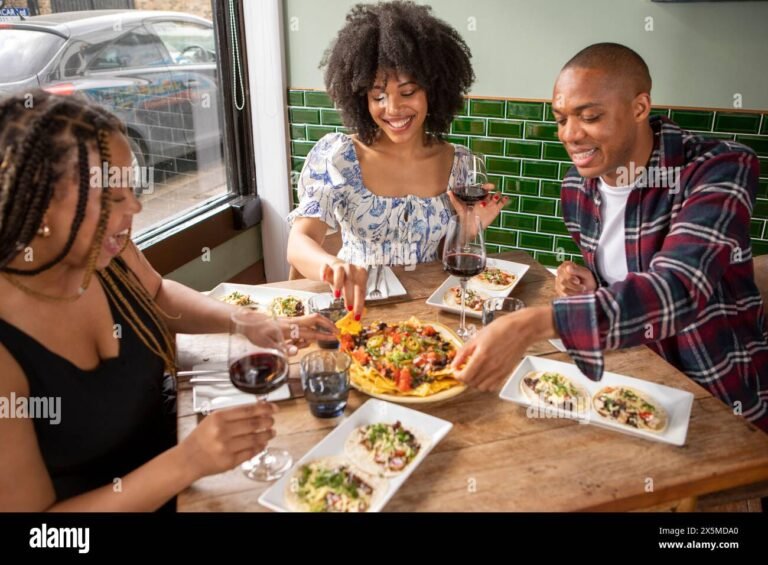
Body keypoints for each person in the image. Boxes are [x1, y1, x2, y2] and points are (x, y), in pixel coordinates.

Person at [0, 90, 336, 511]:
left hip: (187, 456)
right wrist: (188, 461)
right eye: (113, 198)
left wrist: (244, 320)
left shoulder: (105, 252)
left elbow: (157, 292)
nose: (136, 208)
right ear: (37, 204)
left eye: (132, 191)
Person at [452, 43, 768, 433]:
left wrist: (532, 324)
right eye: (561, 118)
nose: (570, 135)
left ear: (639, 108)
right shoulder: (576, 185)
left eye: (590, 117)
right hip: (628, 376)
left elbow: (678, 288)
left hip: (717, 392)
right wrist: (593, 280)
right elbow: (630, 275)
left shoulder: (720, 167)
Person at [286, 1, 508, 318]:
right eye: (378, 95)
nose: (392, 109)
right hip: (355, 311)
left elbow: (445, 261)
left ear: (434, 91)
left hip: (430, 316)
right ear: (361, 97)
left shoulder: (459, 164)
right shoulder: (338, 156)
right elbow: (299, 241)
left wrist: (468, 229)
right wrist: (331, 265)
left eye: (407, 92)